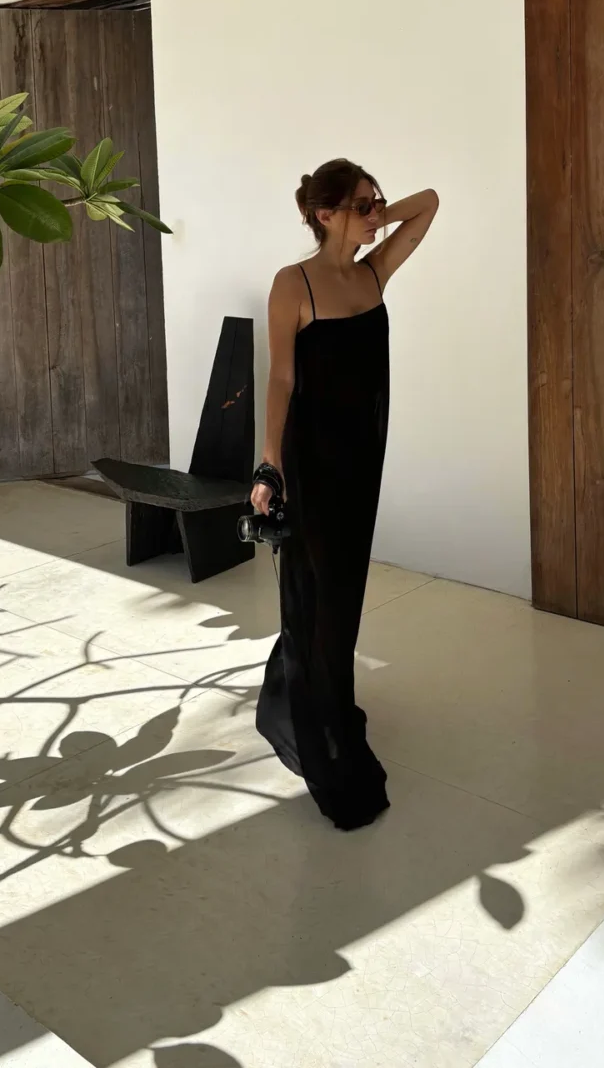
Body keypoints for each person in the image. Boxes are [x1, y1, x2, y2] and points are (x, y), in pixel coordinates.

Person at [251, 158, 439, 830]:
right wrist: (270, 461)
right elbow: (281, 378)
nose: (375, 213)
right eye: (360, 204)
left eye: (376, 200)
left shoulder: (371, 272)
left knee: (345, 590)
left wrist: (377, 214)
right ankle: (319, 718)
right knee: (318, 590)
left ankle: (312, 689)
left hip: (362, 461)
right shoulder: (293, 283)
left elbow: (430, 202)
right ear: (323, 214)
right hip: (313, 461)